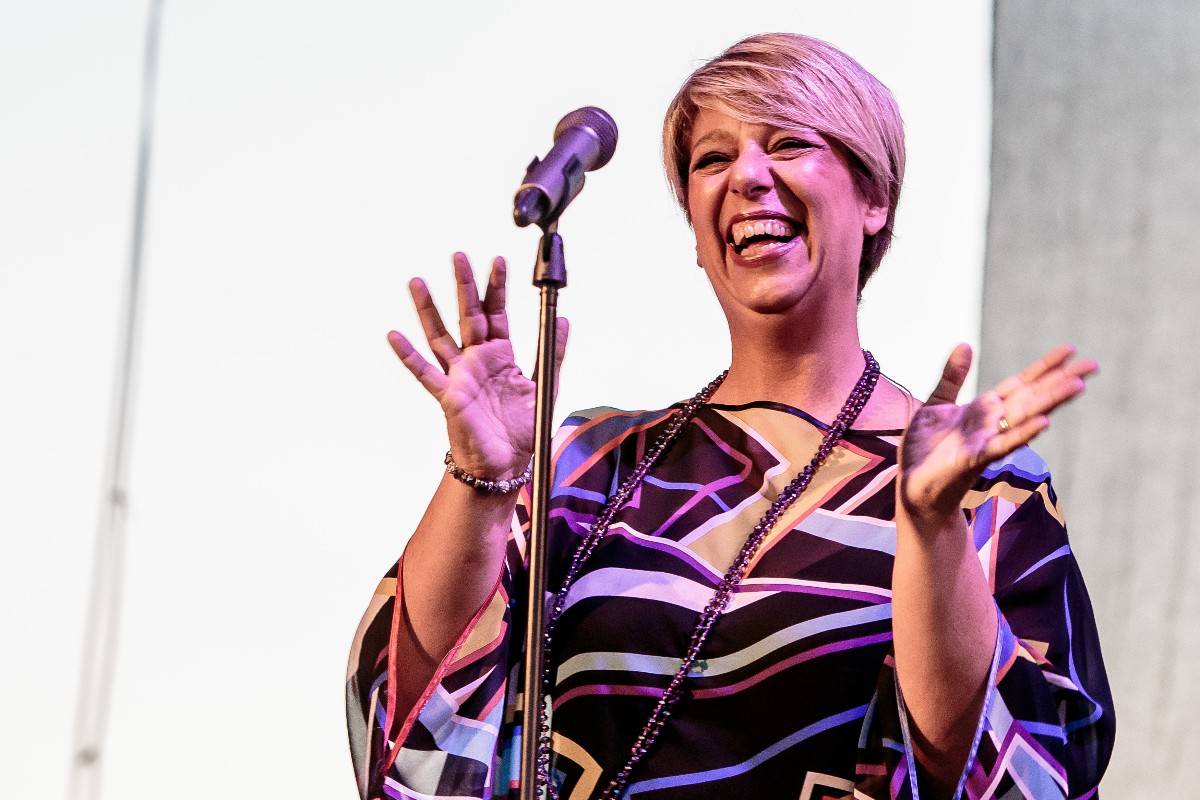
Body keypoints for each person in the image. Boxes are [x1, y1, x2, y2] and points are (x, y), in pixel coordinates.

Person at [346, 33, 1114, 800]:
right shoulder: (593, 464)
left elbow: (1011, 772)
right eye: (712, 160)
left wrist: (930, 525)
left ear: (874, 198)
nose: (747, 175)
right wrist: (485, 478)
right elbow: (418, 714)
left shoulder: (983, 489)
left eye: (788, 143)